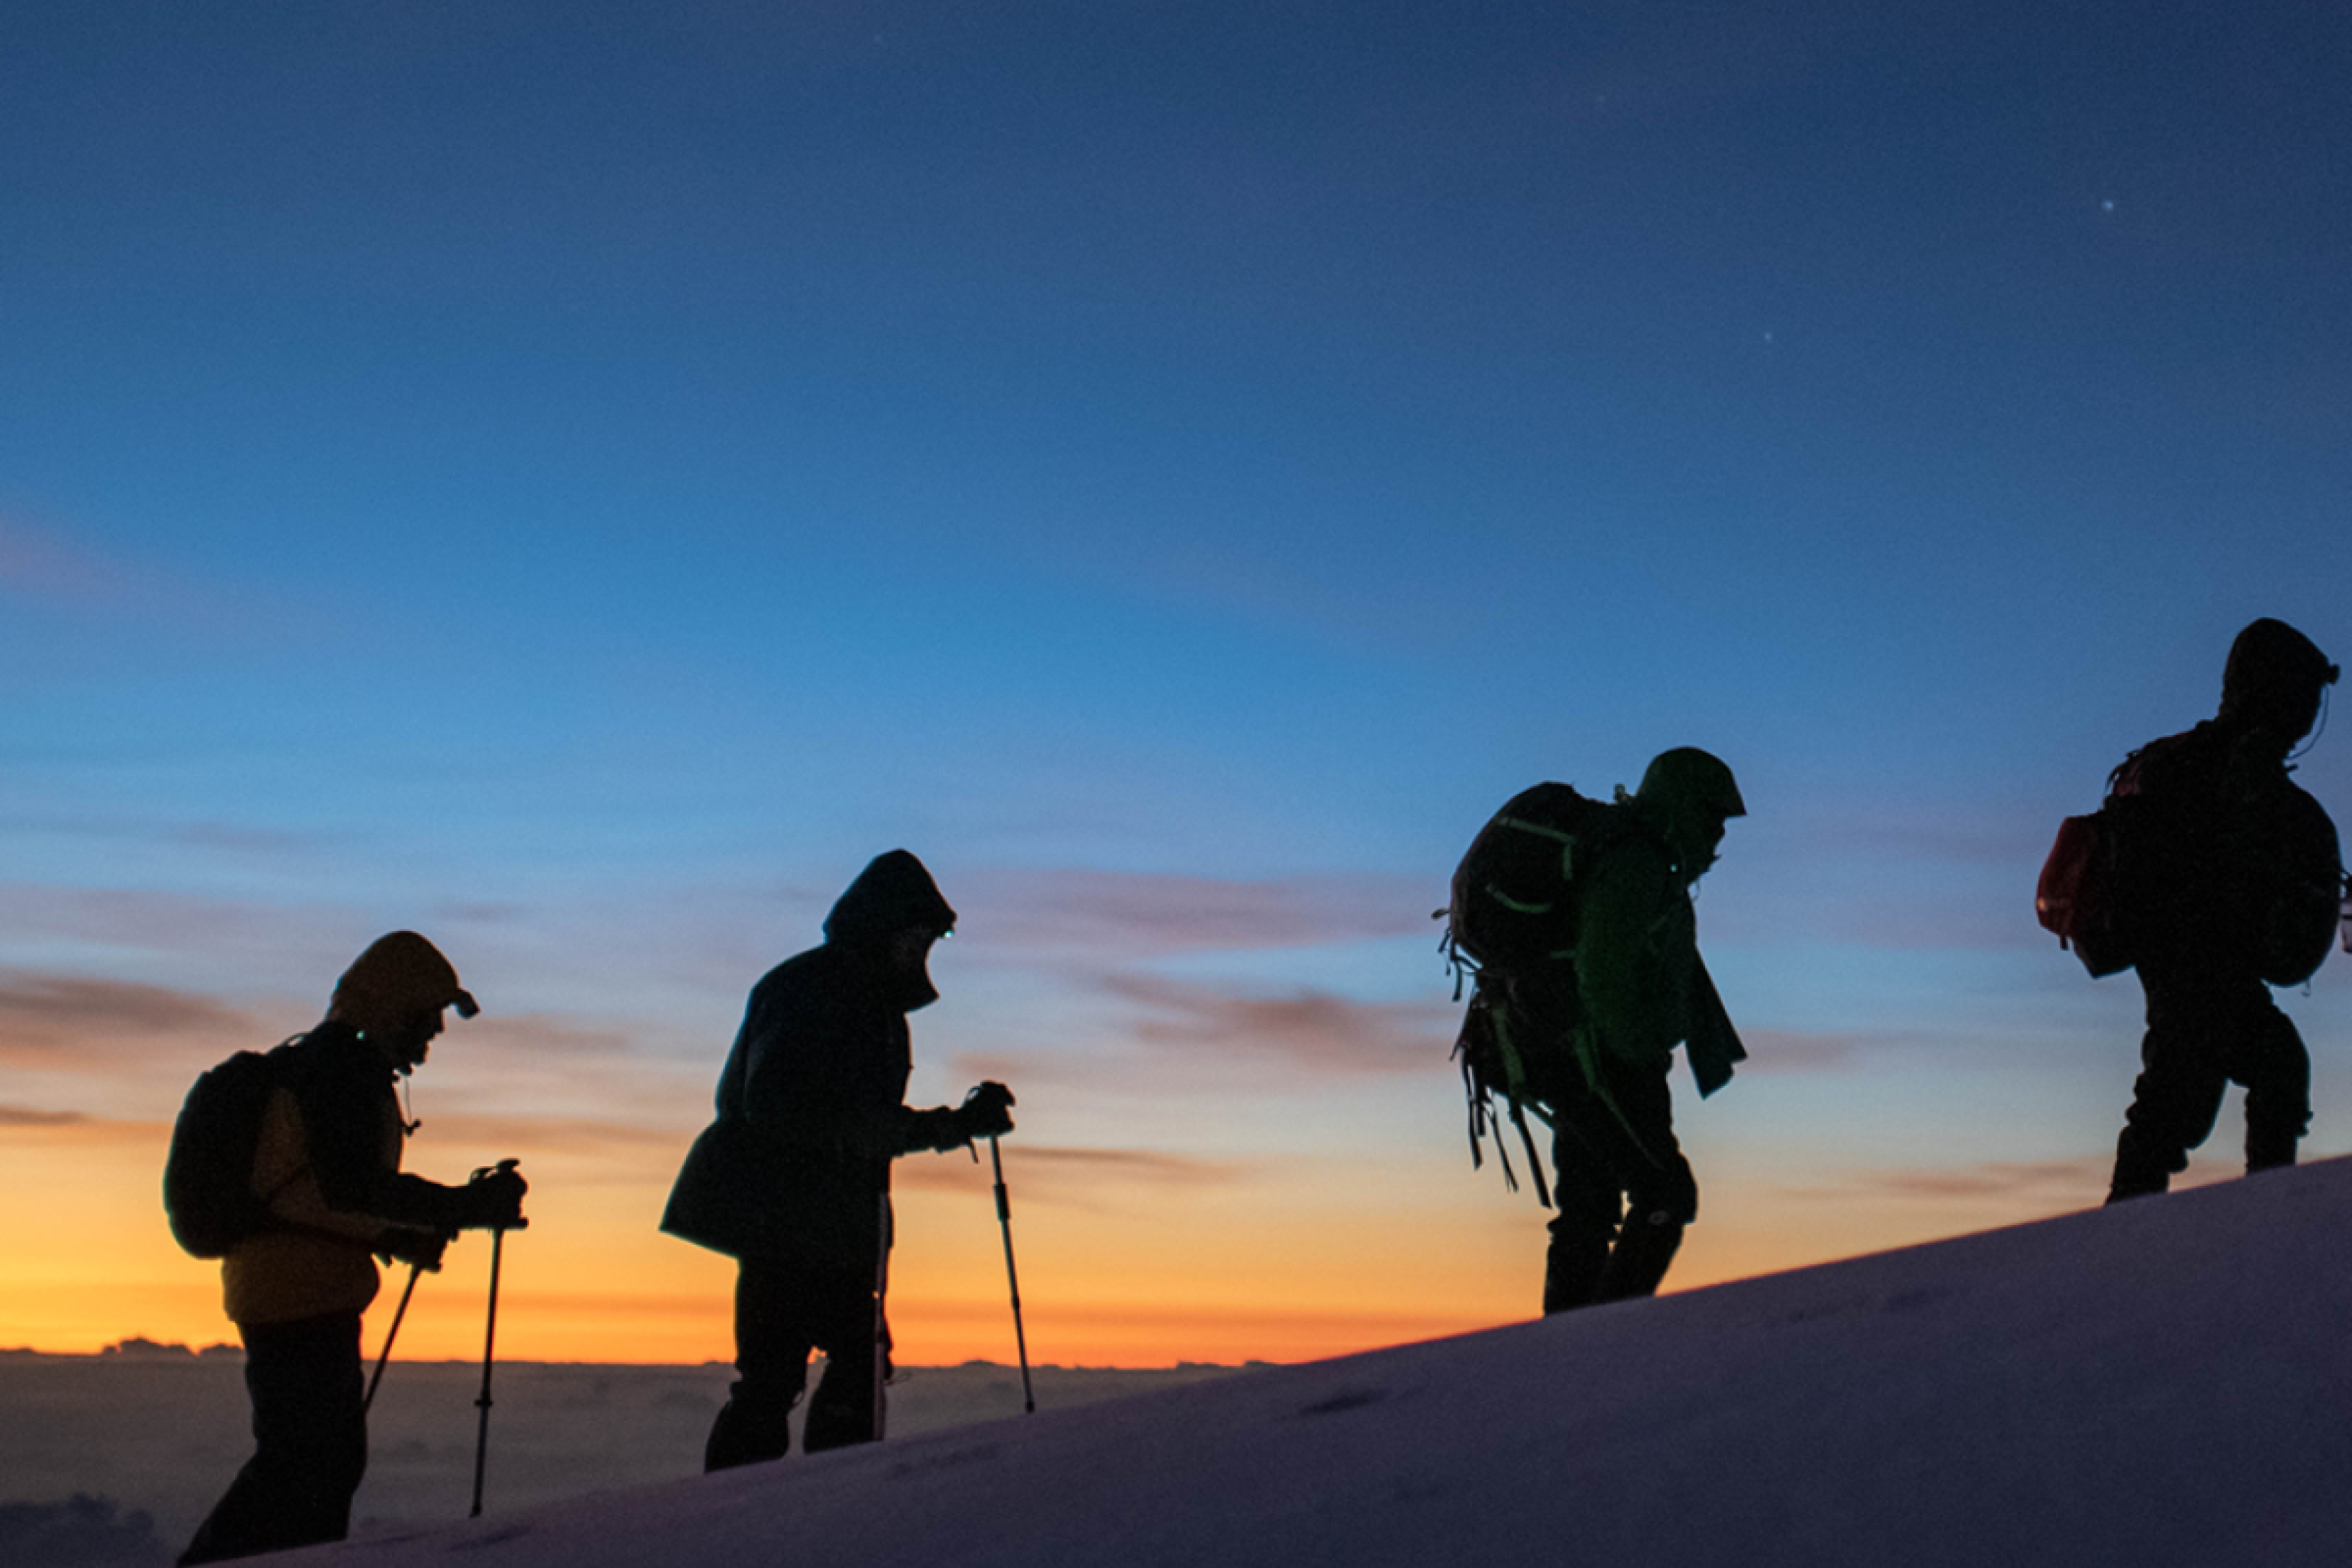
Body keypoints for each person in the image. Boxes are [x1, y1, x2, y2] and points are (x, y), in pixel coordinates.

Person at [180, 932, 528, 1566]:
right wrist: (465, 1206)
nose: (432, 1037)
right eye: (427, 1019)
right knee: (307, 1464)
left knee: (313, 1461)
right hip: (297, 1293)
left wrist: (405, 1234)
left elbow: (318, 1192)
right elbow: (353, 1187)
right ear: (396, 1008)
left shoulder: (325, 1064)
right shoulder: (341, 1072)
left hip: (286, 1286)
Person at [662, 850, 1015, 1469]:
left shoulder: (862, 1000)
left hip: (821, 1225)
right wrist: (945, 1126)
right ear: (887, 928)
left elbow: (849, 1119)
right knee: (790, 1376)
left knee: (831, 1366)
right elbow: (787, 1109)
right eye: (918, 935)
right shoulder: (814, 990)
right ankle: (780, 1504)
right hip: (786, 1222)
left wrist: (948, 1125)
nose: (923, 948)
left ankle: (797, 1500)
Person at [1451, 749, 1747, 1315]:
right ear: (1684, 807)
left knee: (1588, 1209)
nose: (1718, 833)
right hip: (1593, 1060)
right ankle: (1602, 1344)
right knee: (1665, 1195)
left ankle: (1567, 1348)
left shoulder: (1640, 858)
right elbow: (1603, 971)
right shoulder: (1638, 864)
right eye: (1712, 815)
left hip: (1559, 1050)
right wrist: (1639, 1055)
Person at [2103, 618, 2342, 1203]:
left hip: (2196, 963)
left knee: (2261, 1069)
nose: (2307, 713)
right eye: (2302, 695)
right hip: (2193, 962)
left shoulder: (2176, 761)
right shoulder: (2218, 767)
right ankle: (2131, 1234)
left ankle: (2262, 1210)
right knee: (2181, 1099)